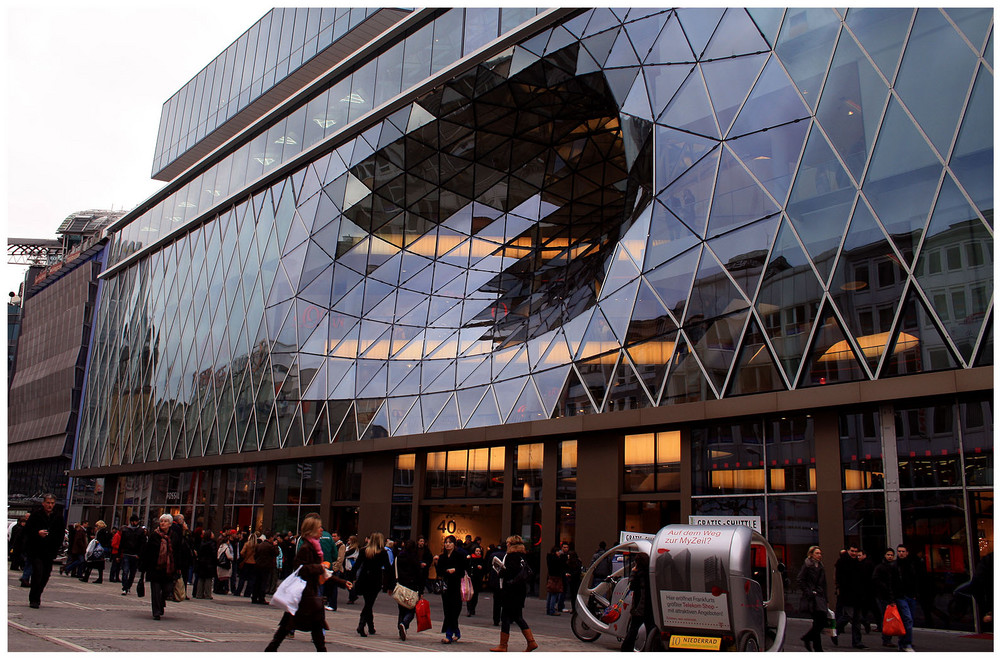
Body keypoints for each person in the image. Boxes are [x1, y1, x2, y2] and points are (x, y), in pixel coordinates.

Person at [264, 515, 352, 652]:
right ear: (312, 530)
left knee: (298, 626)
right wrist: (319, 567)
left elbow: (322, 573)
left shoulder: (315, 547)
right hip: (304, 595)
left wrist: (342, 582)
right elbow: (301, 568)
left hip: (308, 594)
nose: (321, 530)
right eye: (319, 528)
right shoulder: (306, 547)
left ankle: (271, 649)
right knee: (296, 626)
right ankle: (271, 649)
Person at [490, 534, 537, 652]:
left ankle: (504, 645)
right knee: (516, 616)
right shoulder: (523, 556)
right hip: (520, 590)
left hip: (510, 590)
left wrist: (500, 571)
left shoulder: (511, 556)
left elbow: (508, 572)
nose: (506, 545)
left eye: (508, 543)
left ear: (511, 545)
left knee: (507, 616)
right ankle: (530, 642)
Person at [24, 494, 65, 609]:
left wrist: (56, 546)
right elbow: (27, 530)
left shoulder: (58, 517)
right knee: (37, 573)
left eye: (52, 503)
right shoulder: (36, 515)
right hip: (36, 550)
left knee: (45, 575)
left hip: (49, 551)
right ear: (43, 503)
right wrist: (37, 533)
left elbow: (60, 534)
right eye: (48, 503)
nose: (50, 505)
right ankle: (34, 599)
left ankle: (38, 593)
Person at [139, 514, 177, 620]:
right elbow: (148, 551)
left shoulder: (174, 536)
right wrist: (143, 567)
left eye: (165, 521)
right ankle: (156, 611)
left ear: (170, 524)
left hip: (168, 569)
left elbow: (178, 552)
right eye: (161, 521)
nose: (163, 523)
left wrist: (178, 567)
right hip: (155, 568)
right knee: (155, 591)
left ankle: (161, 601)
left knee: (167, 589)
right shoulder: (154, 536)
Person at [354, 531, 391, 637]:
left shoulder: (363, 551)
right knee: (369, 603)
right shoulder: (382, 553)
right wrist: (390, 583)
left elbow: (357, 565)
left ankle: (371, 627)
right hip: (375, 580)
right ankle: (361, 625)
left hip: (364, 578)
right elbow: (388, 568)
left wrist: (352, 578)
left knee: (368, 603)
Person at [797, 545, 830, 652]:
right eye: (817, 553)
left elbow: (824, 584)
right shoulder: (807, 565)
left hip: (820, 597)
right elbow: (800, 579)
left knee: (821, 621)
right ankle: (817, 648)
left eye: (820, 553)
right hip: (812, 598)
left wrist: (826, 599)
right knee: (818, 621)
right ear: (811, 554)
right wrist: (809, 592)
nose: (819, 555)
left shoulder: (821, 566)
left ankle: (808, 638)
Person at [437, 534, 468, 643]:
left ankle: (450, 634)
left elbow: (463, 570)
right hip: (446, 587)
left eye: (450, 542)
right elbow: (439, 571)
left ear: (454, 544)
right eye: (446, 542)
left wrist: (455, 570)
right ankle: (454, 632)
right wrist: (446, 571)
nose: (447, 544)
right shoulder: (442, 557)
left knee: (454, 610)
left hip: (455, 586)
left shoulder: (459, 555)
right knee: (447, 611)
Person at [620, 553, 653, 652]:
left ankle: (626, 648)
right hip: (650, 604)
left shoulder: (638, 572)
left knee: (634, 628)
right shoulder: (650, 572)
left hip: (639, 604)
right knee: (650, 627)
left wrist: (633, 571)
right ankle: (650, 647)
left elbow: (632, 586)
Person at [834, 544, 865, 648]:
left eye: (856, 551)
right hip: (847, 594)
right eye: (852, 551)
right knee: (851, 617)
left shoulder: (857, 562)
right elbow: (839, 578)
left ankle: (856, 641)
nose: (854, 553)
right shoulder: (842, 562)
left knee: (855, 618)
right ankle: (836, 632)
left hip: (857, 595)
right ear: (848, 550)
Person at [891, 544, 919, 652]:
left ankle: (902, 642)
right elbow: (891, 582)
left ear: (907, 553)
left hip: (910, 595)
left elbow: (915, 580)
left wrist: (915, 594)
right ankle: (907, 643)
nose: (901, 553)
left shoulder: (911, 564)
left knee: (907, 620)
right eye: (899, 551)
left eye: (903, 551)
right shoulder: (894, 566)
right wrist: (892, 597)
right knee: (908, 619)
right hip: (900, 596)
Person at [394, 539, 422, 641]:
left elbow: (394, 570)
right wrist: (421, 590)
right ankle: (404, 624)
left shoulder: (399, 557)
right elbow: (419, 575)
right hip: (412, 586)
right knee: (411, 609)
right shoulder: (414, 558)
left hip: (401, 585)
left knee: (401, 608)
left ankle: (400, 627)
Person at [872, 547, 897, 648]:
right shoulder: (880, 567)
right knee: (886, 617)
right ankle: (886, 639)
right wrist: (884, 587)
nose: (890, 557)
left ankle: (893, 638)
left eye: (891, 555)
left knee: (892, 617)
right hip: (883, 595)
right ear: (885, 555)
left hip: (893, 595)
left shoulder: (895, 567)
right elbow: (875, 579)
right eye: (888, 555)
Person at [119, 515, 144, 596]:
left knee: (132, 572)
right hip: (127, 553)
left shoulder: (140, 531)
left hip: (135, 554)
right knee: (125, 571)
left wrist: (139, 555)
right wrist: (119, 554)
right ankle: (125, 587)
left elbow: (142, 544)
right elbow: (122, 543)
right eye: (135, 521)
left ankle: (128, 586)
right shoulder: (126, 530)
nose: (136, 523)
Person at [486, 541, 506, 626]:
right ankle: (504, 618)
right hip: (505, 581)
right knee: (505, 601)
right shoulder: (508, 556)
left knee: (496, 601)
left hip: (495, 580)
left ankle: (496, 619)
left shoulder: (493, 555)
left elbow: (488, 566)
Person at [326, 530, 347, 611]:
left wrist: (336, 567)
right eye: (332, 536)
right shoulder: (332, 544)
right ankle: (329, 602)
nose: (333, 537)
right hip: (331, 566)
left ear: (338, 537)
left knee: (334, 587)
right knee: (330, 586)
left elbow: (340, 558)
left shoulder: (341, 545)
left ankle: (333, 604)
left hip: (336, 568)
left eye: (335, 536)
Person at [193, 529, 216, 599]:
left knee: (201, 579)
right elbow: (214, 553)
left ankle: (199, 593)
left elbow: (199, 552)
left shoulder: (202, 542)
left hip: (201, 562)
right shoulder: (212, 543)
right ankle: (207, 594)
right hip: (209, 563)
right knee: (208, 579)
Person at [545, 544, 566, 615]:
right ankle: (551, 610)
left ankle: (548, 609)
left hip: (550, 576)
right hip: (556, 577)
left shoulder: (549, 557)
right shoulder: (557, 559)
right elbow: (561, 564)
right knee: (554, 593)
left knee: (550, 593)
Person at [466, 545, 486, 616]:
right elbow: (467, 567)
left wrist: (481, 568)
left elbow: (485, 569)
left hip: (478, 579)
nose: (478, 552)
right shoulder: (470, 558)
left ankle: (473, 608)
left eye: (479, 551)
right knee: (470, 594)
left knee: (475, 595)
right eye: (477, 551)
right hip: (471, 578)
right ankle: (469, 609)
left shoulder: (482, 560)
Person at [344, 534, 360, 604]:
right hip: (348, 566)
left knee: (349, 582)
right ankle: (353, 595)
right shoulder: (349, 547)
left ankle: (353, 595)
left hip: (351, 566)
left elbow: (345, 554)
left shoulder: (353, 549)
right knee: (348, 581)